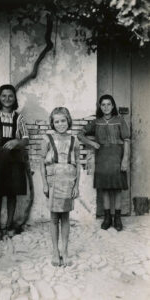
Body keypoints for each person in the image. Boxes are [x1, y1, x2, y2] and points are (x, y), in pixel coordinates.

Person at [78, 94, 130, 231]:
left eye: (108, 104)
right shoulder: (97, 122)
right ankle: (107, 218)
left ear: (113, 106)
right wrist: (92, 143)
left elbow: (126, 141)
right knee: (105, 188)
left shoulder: (120, 120)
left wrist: (125, 159)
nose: (106, 107)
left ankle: (117, 218)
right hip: (102, 157)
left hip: (117, 157)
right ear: (100, 107)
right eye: (103, 105)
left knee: (117, 188)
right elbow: (80, 134)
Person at [0, 84, 29, 241]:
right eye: (4, 95)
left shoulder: (19, 118)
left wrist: (17, 142)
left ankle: (9, 224)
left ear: (14, 98)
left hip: (15, 159)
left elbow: (26, 139)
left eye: (10, 96)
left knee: (12, 193)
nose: (7, 99)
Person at [40, 107, 80, 266]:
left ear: (68, 121)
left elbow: (77, 165)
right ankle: (55, 252)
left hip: (68, 182)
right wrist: (44, 184)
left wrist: (76, 186)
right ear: (52, 123)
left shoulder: (74, 140)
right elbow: (41, 163)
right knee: (54, 217)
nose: (60, 124)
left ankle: (65, 250)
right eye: (56, 121)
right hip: (53, 182)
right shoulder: (47, 140)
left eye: (63, 120)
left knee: (65, 217)